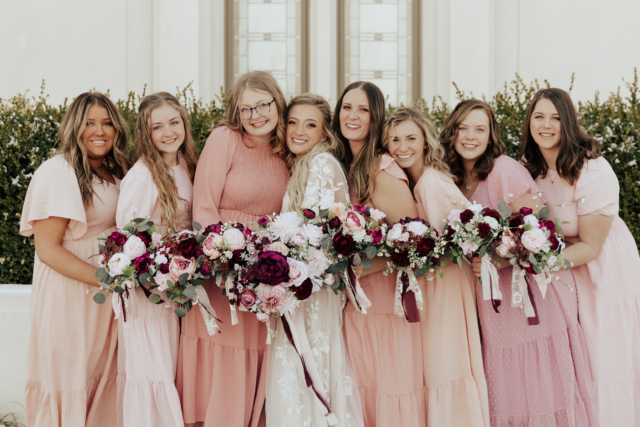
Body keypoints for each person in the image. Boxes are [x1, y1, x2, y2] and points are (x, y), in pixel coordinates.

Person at [448, 99, 598, 426]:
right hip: (491, 302)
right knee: (506, 383)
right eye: (463, 128)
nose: (470, 136)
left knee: (540, 383)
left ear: (491, 136)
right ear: (452, 132)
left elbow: (541, 231)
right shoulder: (454, 179)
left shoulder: (503, 170)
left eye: (479, 129)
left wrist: (501, 260)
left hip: (532, 294)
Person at [176, 71, 290, 427]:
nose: (256, 115)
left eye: (263, 104)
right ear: (235, 114)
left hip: (264, 274)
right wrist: (222, 260)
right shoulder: (225, 138)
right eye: (246, 109)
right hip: (221, 267)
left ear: (277, 102)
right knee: (220, 351)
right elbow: (204, 204)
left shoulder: (290, 147)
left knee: (254, 353)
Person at [521, 87, 640, 426]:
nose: (546, 125)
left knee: (602, 357)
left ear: (569, 122)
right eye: (539, 116)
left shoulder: (592, 170)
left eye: (556, 118)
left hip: (601, 267)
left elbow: (590, 246)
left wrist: (538, 265)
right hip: (564, 268)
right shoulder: (529, 168)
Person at [19, 92, 130, 427]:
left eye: (107, 122)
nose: (100, 131)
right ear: (74, 128)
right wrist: (107, 281)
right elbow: (48, 249)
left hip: (104, 296)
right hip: (70, 295)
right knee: (70, 376)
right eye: (90, 123)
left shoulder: (114, 170)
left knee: (98, 373)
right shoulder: (58, 172)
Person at [385, 108, 490, 426]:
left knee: (447, 363)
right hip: (433, 283)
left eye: (411, 138)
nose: (403, 147)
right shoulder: (417, 181)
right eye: (395, 140)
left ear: (426, 142)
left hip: (446, 285)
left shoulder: (431, 182)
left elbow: (460, 239)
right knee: (435, 364)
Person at [265, 93, 365, 426]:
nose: (298, 131)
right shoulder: (305, 164)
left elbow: (313, 236)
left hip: (311, 290)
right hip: (303, 287)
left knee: (307, 366)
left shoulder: (322, 165)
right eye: (293, 122)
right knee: (300, 367)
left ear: (324, 133)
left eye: (311, 125)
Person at [334, 82, 427, 427]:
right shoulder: (345, 163)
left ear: (376, 118)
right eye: (347, 107)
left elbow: (415, 242)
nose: (353, 116)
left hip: (385, 302)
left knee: (389, 387)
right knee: (362, 390)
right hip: (356, 306)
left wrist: (361, 268)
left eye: (364, 110)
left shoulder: (381, 168)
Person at [115, 92, 197, 427]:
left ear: (184, 124)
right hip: (148, 291)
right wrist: (160, 273)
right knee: (152, 370)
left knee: (169, 367)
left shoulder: (187, 167)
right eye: (157, 127)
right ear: (145, 134)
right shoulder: (142, 175)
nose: (168, 132)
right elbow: (128, 238)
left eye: (173, 122)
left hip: (176, 288)